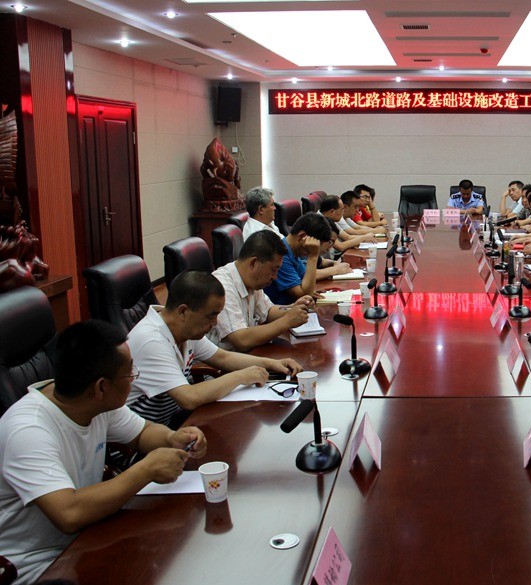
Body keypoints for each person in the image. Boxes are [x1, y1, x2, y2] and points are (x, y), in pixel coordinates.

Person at [0, 320, 207, 584]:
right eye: (130, 373)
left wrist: (173, 438)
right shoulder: (28, 430)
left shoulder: (93, 402)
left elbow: (142, 433)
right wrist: (146, 470)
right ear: (101, 387)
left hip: (92, 534)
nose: (134, 377)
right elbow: (69, 514)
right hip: (38, 566)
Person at [128, 271, 302, 427]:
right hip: (141, 440)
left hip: (171, 421)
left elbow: (223, 358)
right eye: (211, 315)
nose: (215, 323)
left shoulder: (182, 328)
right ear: (183, 311)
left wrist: (272, 363)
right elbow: (189, 398)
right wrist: (241, 376)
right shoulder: (152, 340)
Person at [211, 230, 313, 352]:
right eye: (273, 270)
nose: (275, 277)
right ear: (254, 263)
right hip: (225, 361)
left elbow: (268, 311)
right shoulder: (222, 286)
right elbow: (241, 340)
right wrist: (287, 321)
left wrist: (293, 308)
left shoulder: (251, 280)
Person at [264, 213, 333, 304]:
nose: (313, 250)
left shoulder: (294, 252)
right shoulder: (281, 255)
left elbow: (306, 283)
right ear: (301, 236)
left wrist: (308, 290)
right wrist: (313, 256)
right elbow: (305, 296)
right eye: (313, 246)